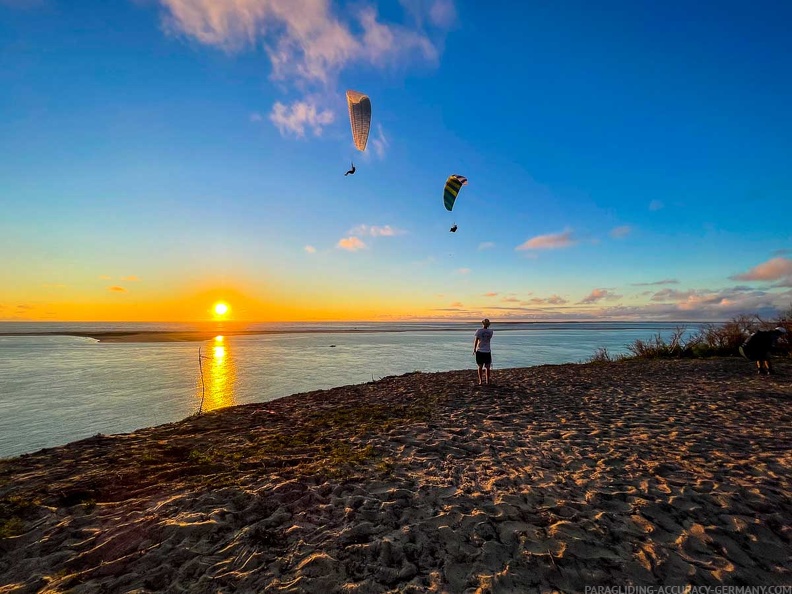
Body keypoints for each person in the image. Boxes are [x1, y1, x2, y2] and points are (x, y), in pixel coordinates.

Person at [474, 318, 494, 385]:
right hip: (487, 350)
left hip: (480, 350)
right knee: (487, 367)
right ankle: (487, 381)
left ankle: (480, 381)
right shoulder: (491, 331)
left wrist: (474, 348)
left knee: (480, 366)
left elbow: (476, 340)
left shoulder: (479, 331)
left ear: (482, 323)